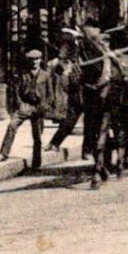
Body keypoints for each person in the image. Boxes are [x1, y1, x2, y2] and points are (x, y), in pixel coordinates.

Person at [0, 49, 48, 169]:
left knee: (37, 136)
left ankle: (36, 162)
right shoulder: (23, 74)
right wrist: (20, 104)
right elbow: (16, 91)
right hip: (25, 106)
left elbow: (50, 93)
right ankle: (3, 154)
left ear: (41, 60)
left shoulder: (46, 75)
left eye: (37, 59)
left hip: (38, 107)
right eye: (32, 59)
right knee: (12, 125)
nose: (34, 62)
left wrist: (44, 106)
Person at [46, 32, 83, 162]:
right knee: (69, 121)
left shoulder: (81, 54)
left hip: (84, 92)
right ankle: (54, 143)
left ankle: (86, 150)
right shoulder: (63, 59)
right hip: (75, 94)